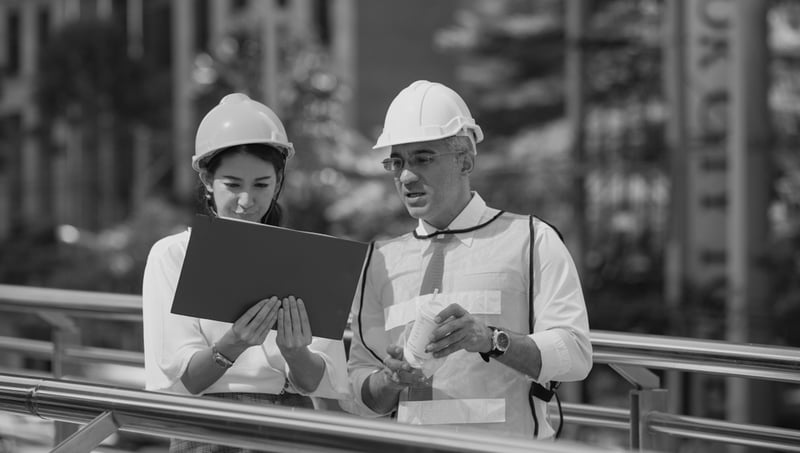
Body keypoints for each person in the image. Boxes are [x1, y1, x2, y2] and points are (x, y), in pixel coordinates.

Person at [345, 80, 592, 439]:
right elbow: (360, 397)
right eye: (396, 162)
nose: (407, 176)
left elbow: (576, 354)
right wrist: (389, 380)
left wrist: (490, 340)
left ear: (465, 160)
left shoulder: (532, 239)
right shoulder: (380, 260)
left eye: (423, 158)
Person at [142, 93, 350, 452]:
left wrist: (296, 353)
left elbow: (321, 384)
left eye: (261, 185)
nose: (246, 200)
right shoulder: (173, 256)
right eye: (232, 184)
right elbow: (178, 385)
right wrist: (232, 345)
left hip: (292, 428)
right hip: (207, 432)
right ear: (207, 180)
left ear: (279, 180)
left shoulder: (307, 258)